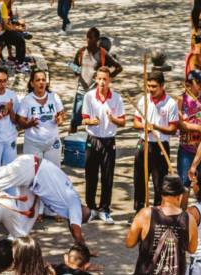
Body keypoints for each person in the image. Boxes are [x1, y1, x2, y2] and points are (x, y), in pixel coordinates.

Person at [0, 154, 92, 245]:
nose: (84, 217)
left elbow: (73, 228)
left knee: (27, 221)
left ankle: (9, 249)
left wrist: (32, 207)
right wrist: (84, 249)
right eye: (86, 216)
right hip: (30, 168)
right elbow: (76, 230)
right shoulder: (74, 202)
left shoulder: (69, 204)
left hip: (33, 181)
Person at [126, 175, 198, 275]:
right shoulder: (190, 219)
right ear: (180, 196)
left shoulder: (145, 214)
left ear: (162, 194)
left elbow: (129, 242)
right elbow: (192, 249)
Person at [82, 66, 125, 224]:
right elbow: (84, 119)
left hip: (109, 141)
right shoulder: (89, 97)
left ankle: (105, 209)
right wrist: (91, 121)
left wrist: (113, 119)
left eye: (105, 79)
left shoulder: (117, 98)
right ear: (95, 79)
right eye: (99, 79)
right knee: (91, 175)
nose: (101, 82)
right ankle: (91, 208)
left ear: (109, 81)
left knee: (107, 177)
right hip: (93, 139)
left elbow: (123, 121)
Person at [133, 71, 178, 212]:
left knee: (159, 183)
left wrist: (156, 127)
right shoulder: (144, 100)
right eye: (148, 86)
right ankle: (138, 211)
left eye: (154, 86)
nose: (150, 89)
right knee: (140, 180)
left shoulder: (170, 103)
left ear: (162, 86)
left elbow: (172, 128)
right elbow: (136, 122)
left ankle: (158, 213)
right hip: (144, 143)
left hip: (160, 146)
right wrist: (144, 127)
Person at [70, 27, 122, 133]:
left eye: (91, 38)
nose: (88, 40)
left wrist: (108, 78)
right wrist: (75, 69)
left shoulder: (103, 54)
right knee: (75, 120)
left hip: (96, 93)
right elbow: (75, 68)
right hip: (81, 91)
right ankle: (70, 143)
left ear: (97, 39)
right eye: (87, 37)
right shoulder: (81, 52)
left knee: (95, 119)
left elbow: (119, 67)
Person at [18, 69, 64, 167]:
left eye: (43, 80)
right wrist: (29, 124)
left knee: (53, 174)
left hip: (52, 143)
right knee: (34, 175)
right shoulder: (26, 100)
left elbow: (61, 114)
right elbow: (20, 121)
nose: (41, 82)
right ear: (32, 83)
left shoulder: (54, 97)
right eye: (38, 80)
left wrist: (59, 119)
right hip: (33, 144)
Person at [177, 70, 201, 209]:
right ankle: (181, 217)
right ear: (188, 84)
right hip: (186, 149)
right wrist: (198, 128)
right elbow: (180, 124)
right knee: (184, 185)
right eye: (198, 82)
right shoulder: (181, 99)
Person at [186, 176, 201, 275]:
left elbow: (184, 239)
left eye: (195, 184)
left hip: (200, 264)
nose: (192, 186)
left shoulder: (194, 211)